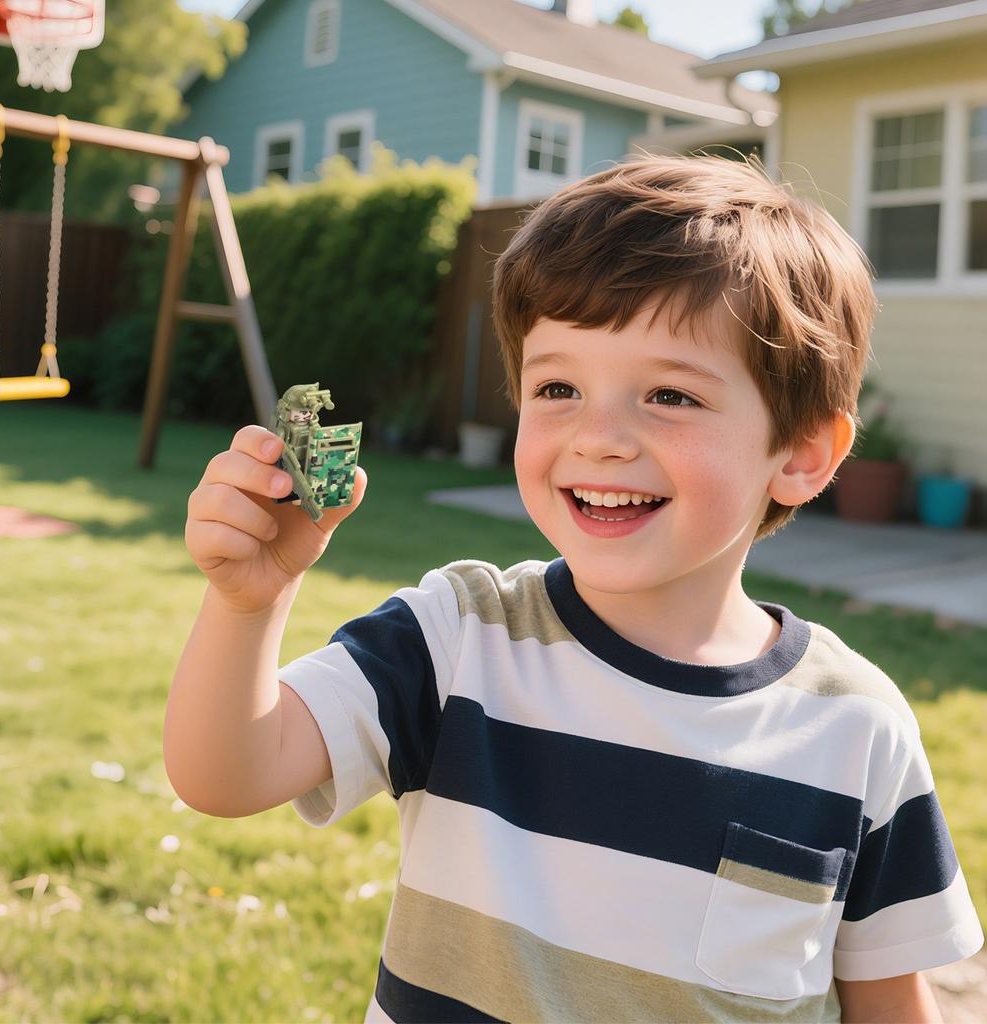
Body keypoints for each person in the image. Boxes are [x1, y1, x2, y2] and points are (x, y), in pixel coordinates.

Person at [164, 153, 984, 1023]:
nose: (598, 438)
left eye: (668, 394)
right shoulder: (457, 637)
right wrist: (249, 604)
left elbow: (890, 1000)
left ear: (803, 452)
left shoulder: (856, 729)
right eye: (558, 387)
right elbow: (224, 774)